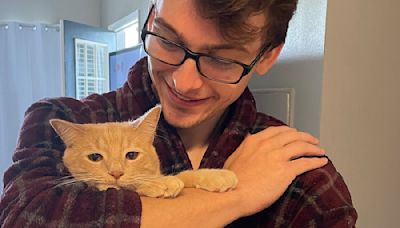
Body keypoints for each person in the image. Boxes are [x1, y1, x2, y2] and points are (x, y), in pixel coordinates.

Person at [0, 0, 357, 227]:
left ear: (266, 57)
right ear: (153, 16)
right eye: (169, 41)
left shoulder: (301, 175)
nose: (184, 83)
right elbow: (23, 218)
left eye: (220, 59)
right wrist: (237, 195)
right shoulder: (56, 117)